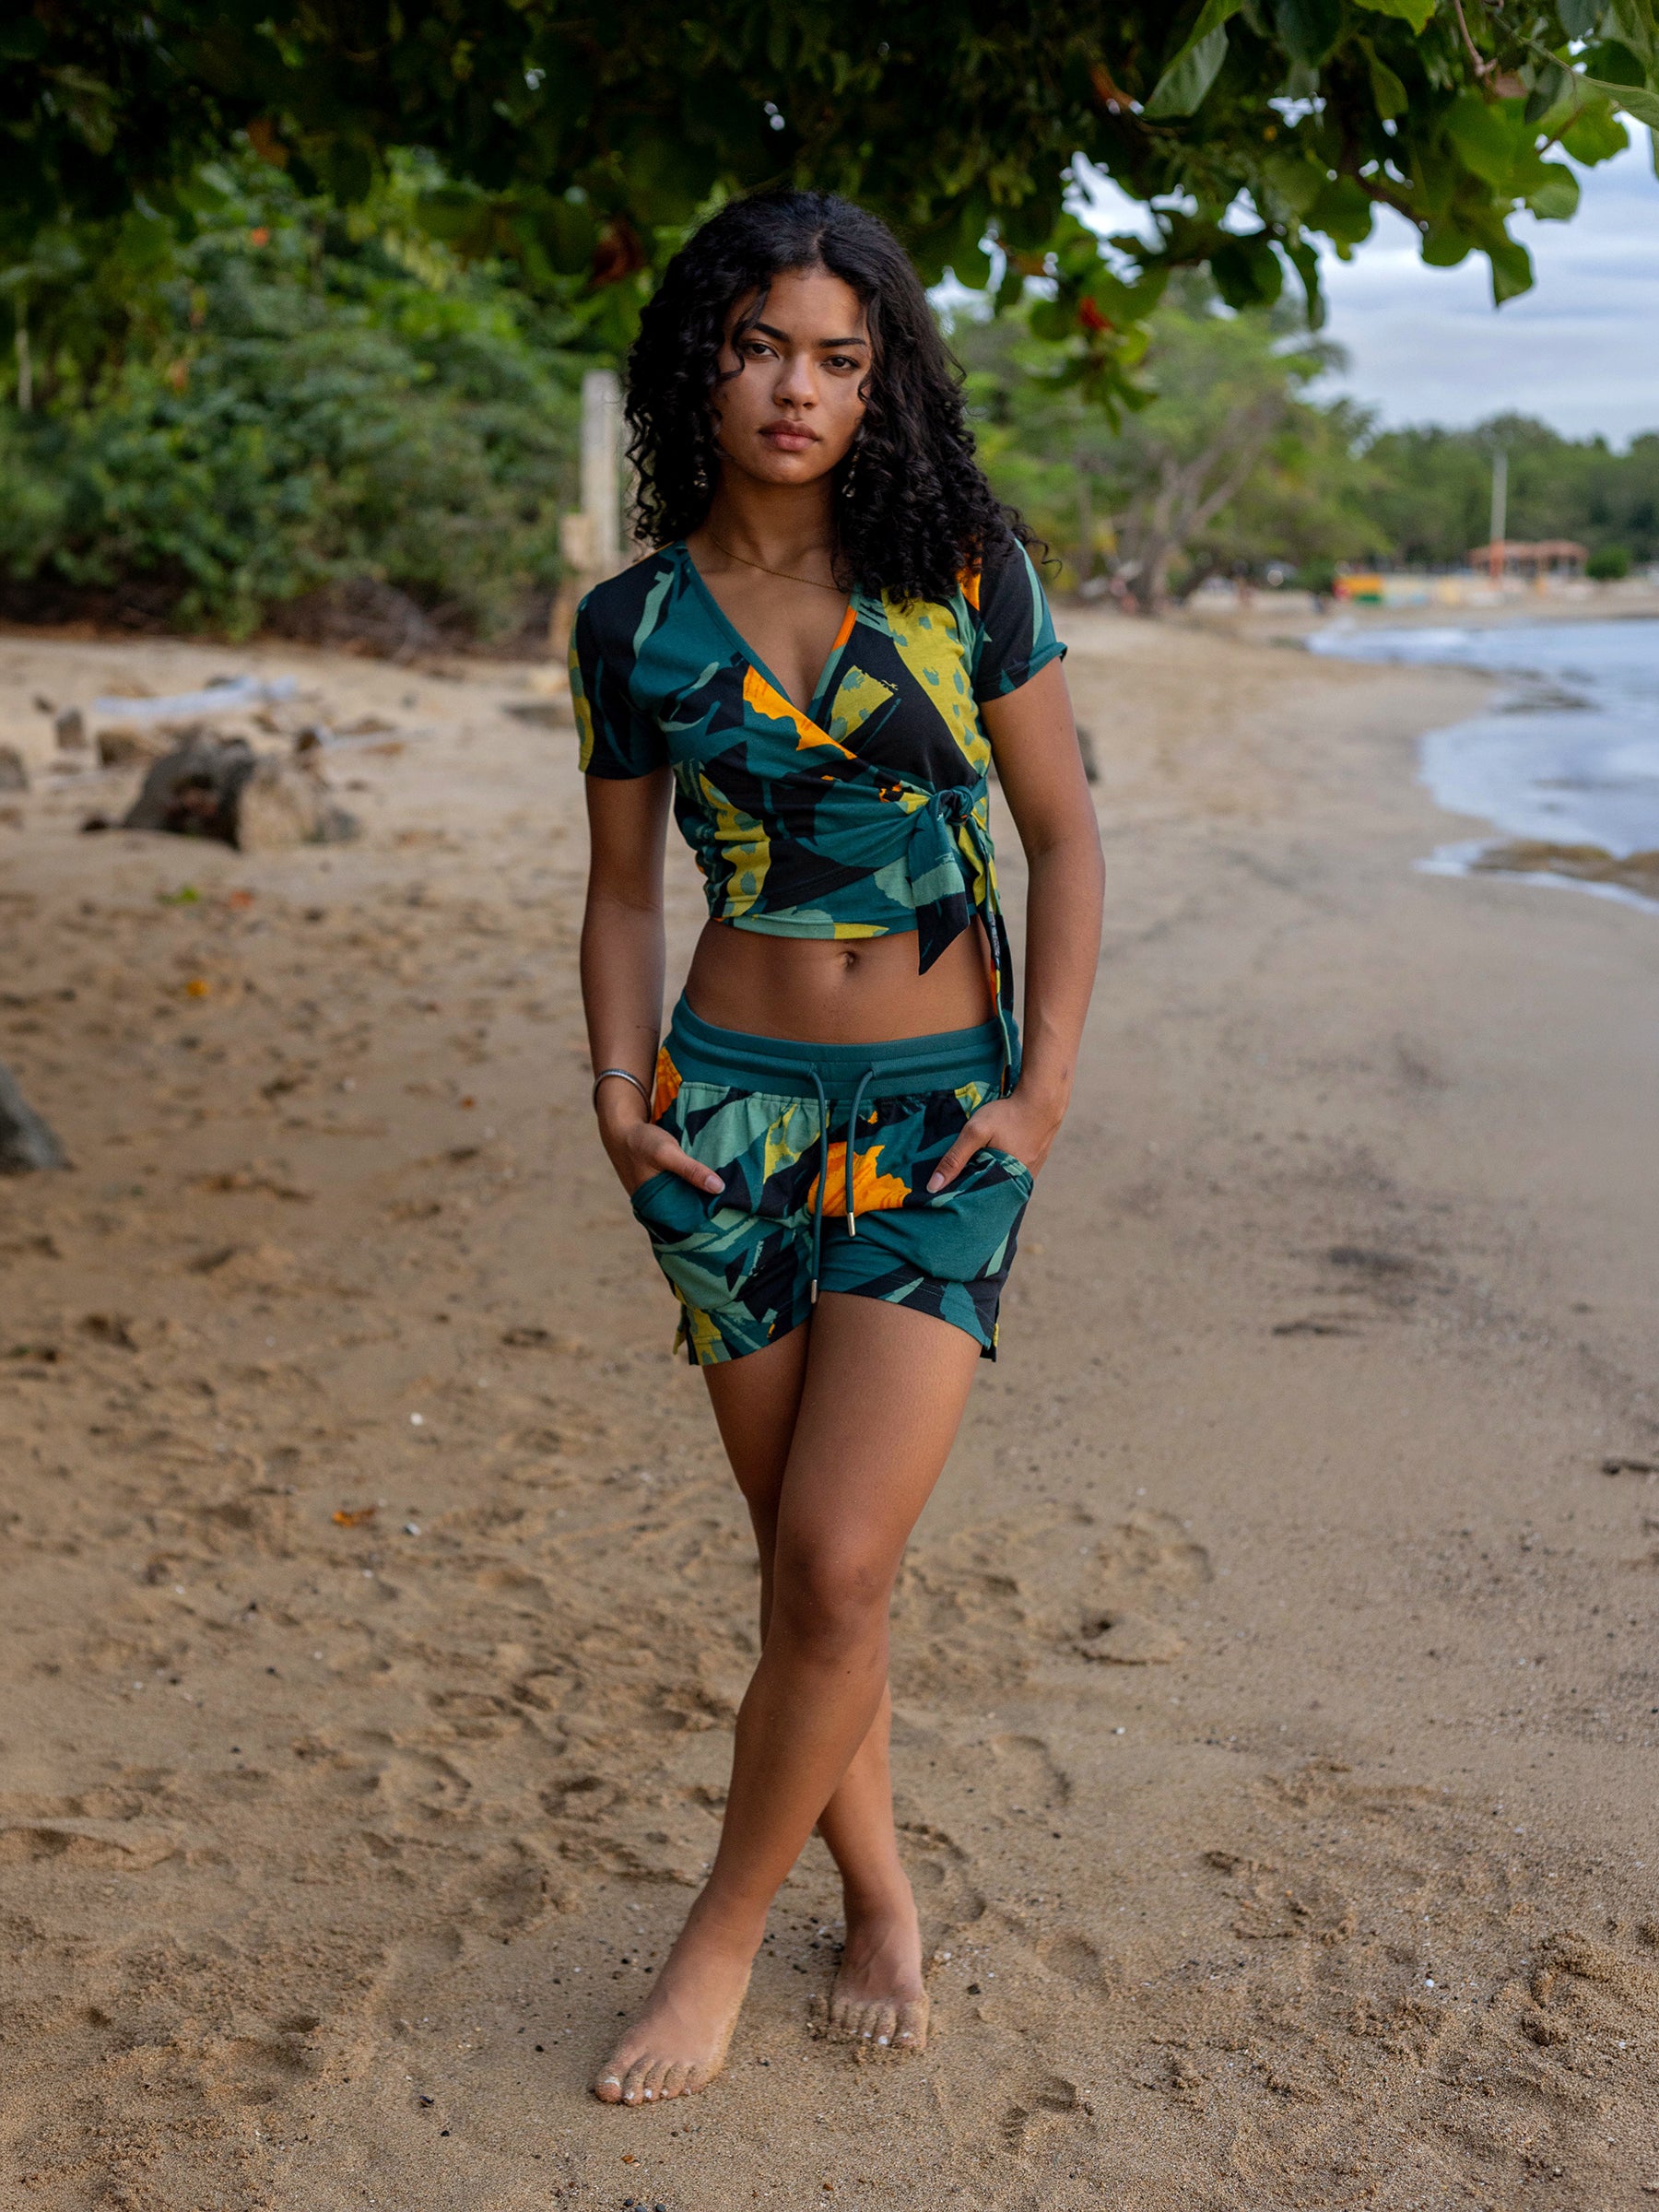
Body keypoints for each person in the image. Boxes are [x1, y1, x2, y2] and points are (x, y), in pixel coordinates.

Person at [571, 189, 1104, 2108]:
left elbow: (1067, 838)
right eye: (758, 346)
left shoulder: (962, 569)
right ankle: (879, 1889)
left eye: (837, 356)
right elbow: (625, 892)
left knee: (835, 1552)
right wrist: (619, 1101)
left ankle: (718, 1938)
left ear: (880, 383)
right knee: (816, 1583)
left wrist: (1037, 1097)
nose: (795, 388)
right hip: (727, 1121)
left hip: (939, 1121)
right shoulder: (630, 625)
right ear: (699, 361)